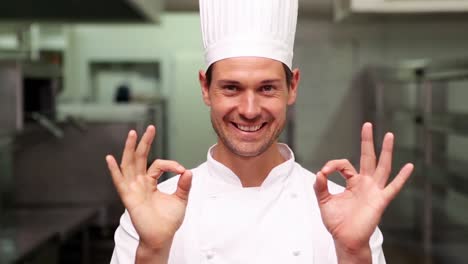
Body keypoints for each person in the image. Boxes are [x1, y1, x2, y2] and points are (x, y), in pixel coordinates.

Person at [106, 0, 414, 263]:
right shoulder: (150, 211)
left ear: (292, 86)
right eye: (231, 88)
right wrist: (152, 251)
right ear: (205, 88)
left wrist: (354, 252)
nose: (250, 109)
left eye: (267, 88)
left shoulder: (343, 209)